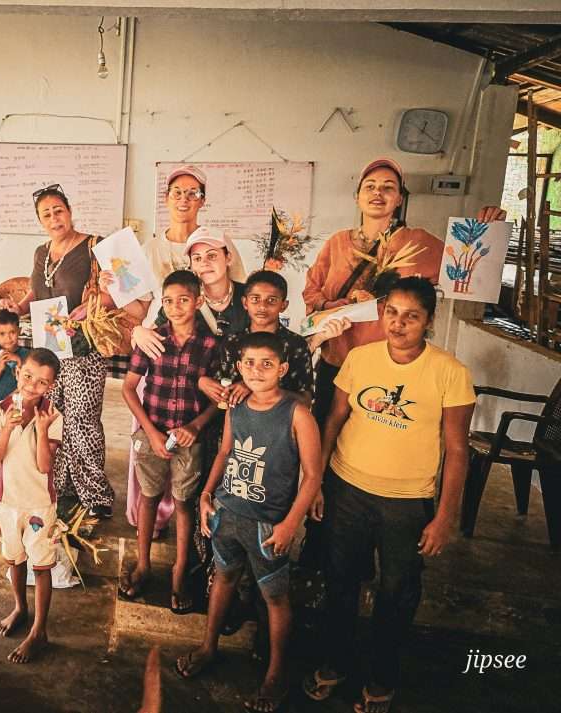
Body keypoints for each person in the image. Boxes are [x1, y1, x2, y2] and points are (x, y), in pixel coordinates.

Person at [301, 277, 475, 713]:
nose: (398, 324)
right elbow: (333, 421)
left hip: (407, 503)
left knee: (396, 591)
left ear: (429, 321)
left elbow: (457, 451)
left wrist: (445, 516)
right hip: (347, 491)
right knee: (340, 582)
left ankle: (381, 678)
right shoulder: (360, 358)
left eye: (411, 316)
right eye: (392, 313)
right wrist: (317, 481)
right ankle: (335, 663)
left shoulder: (450, 373)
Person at [178, 331, 322, 713]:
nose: (258, 371)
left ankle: (276, 673)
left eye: (268, 364)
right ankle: (209, 645)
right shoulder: (235, 408)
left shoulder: (297, 414)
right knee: (223, 578)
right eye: (250, 363)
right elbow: (225, 451)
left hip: (268, 525)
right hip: (227, 516)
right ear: (239, 367)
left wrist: (291, 522)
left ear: (283, 368)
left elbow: (312, 475)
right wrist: (206, 496)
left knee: (274, 597)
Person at [302, 157, 503, 430]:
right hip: (335, 362)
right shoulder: (337, 242)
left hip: (384, 366)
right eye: (370, 186)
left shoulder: (417, 242)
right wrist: (340, 304)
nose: (377, 193)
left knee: (370, 440)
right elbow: (311, 291)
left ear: (399, 199)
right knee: (323, 432)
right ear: (357, 196)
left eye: (388, 187)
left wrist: (485, 232)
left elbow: (468, 270)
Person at [0, 184, 145, 518]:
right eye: (46, 214)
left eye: (58, 210)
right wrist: (17, 307)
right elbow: (36, 293)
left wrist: (93, 303)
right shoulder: (41, 252)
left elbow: (122, 288)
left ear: (70, 211)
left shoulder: (95, 246)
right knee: (54, 419)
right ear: (40, 220)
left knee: (83, 422)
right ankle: (62, 486)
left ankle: (96, 496)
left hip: (85, 347)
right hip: (49, 348)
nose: (54, 218)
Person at [120, 270, 222, 613]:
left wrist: (195, 426)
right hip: (153, 432)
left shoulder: (210, 344)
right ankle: (144, 563)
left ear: (199, 301)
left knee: (183, 503)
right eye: (168, 301)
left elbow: (217, 398)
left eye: (183, 300)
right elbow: (128, 388)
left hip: (188, 438)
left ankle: (179, 572)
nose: (176, 308)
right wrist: (150, 432)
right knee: (147, 498)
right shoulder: (152, 339)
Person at [0, 348, 63, 664]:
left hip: (39, 506)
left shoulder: (53, 416)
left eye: (42, 383)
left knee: (41, 566)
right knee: (14, 559)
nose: (32, 386)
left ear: (51, 387)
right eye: (28, 376)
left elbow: (45, 467)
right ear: (18, 373)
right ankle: (20, 607)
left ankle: (39, 630)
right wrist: (7, 427)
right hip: (9, 502)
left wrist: (42, 431)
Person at [200, 270, 315, 410]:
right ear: (245, 302)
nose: (262, 306)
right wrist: (206, 384)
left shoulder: (296, 345)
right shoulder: (231, 343)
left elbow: (305, 401)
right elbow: (220, 395)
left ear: (284, 305)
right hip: (236, 425)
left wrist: (254, 386)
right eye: (255, 299)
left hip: (280, 426)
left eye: (271, 300)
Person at [0, 308, 29, 410]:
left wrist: (19, 362)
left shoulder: (27, 355)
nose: (8, 338)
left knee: (16, 424)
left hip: (19, 406)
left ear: (19, 331)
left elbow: (28, 381)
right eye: (2, 334)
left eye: (12, 332)